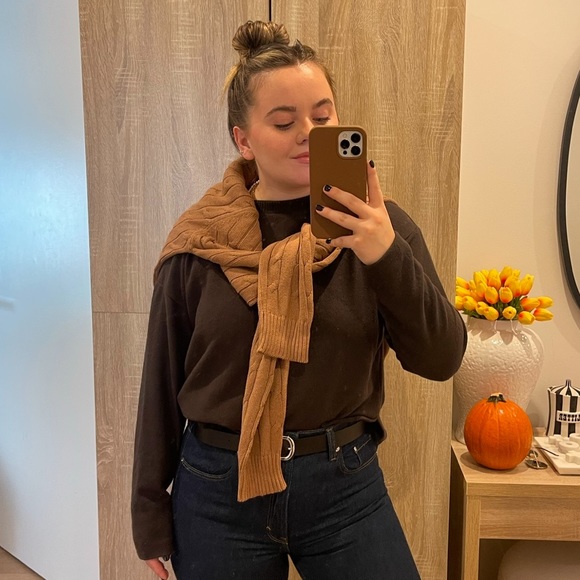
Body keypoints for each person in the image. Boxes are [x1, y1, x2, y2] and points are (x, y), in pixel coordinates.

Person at [131, 19, 466, 580]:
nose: (309, 133)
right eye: (284, 122)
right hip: (218, 490)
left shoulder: (381, 228)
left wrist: (384, 253)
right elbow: (161, 381)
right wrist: (148, 511)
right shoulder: (200, 242)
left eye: (323, 116)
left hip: (344, 486)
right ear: (243, 139)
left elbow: (442, 358)